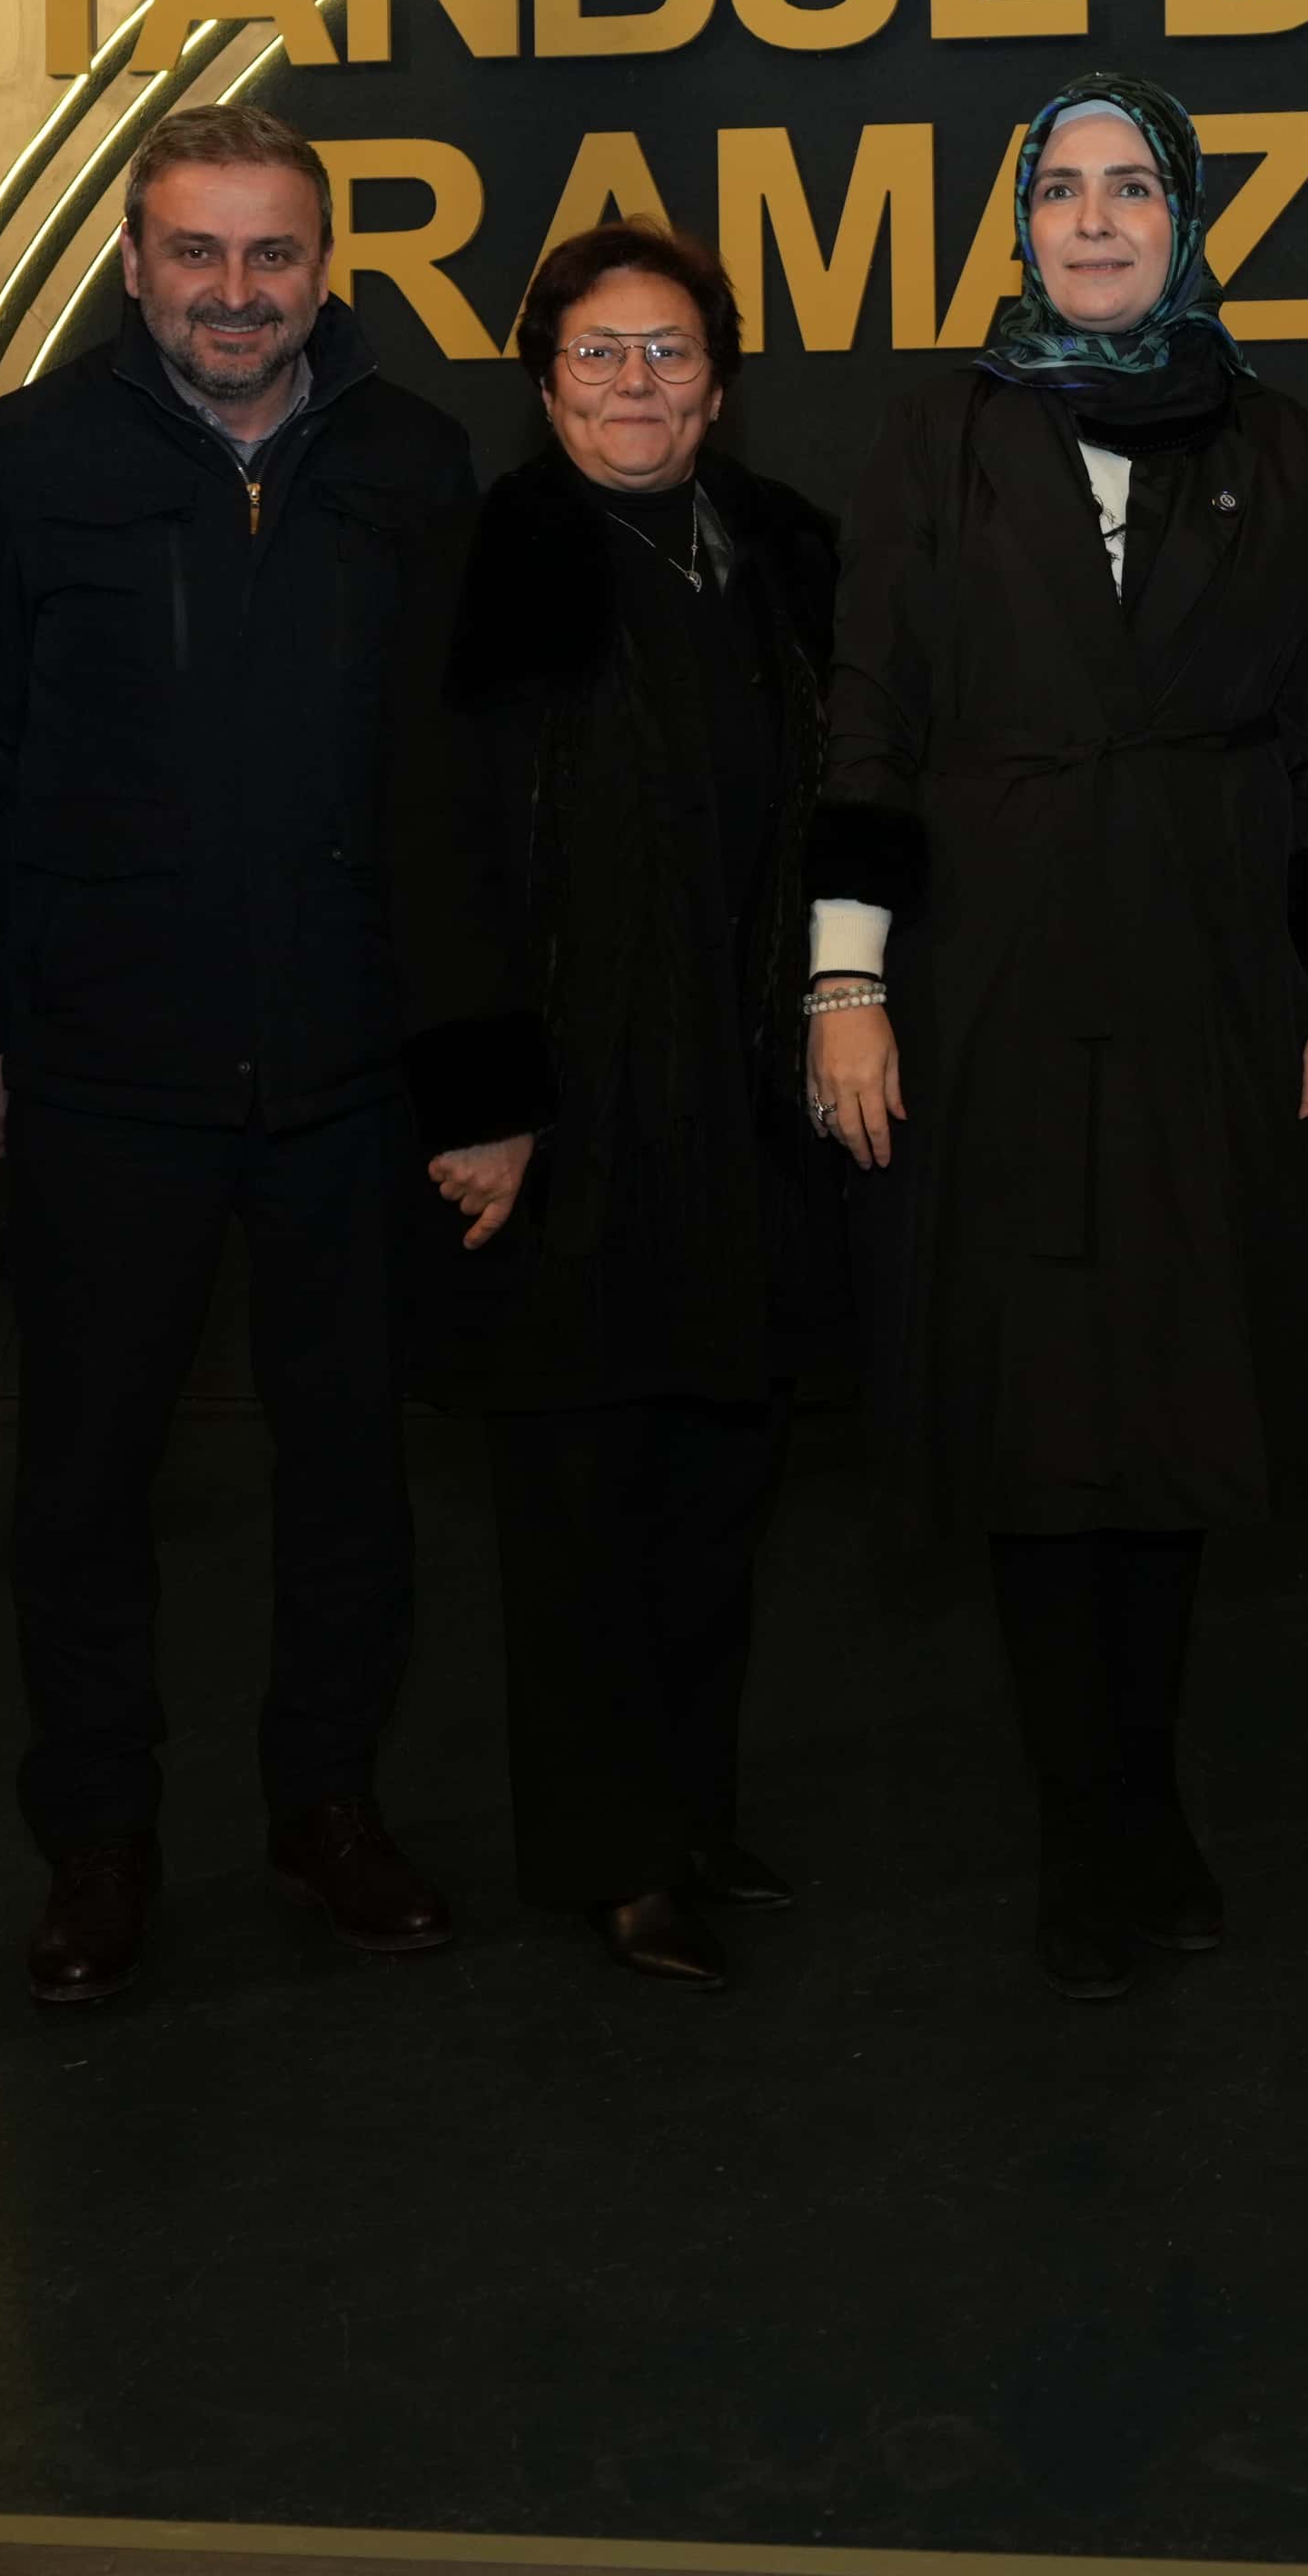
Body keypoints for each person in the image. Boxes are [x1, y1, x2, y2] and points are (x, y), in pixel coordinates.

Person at [805, 72, 1308, 2002]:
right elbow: (870, 714)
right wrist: (845, 984)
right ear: (1020, 222)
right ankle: (1082, 1826)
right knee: (1037, 1416)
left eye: (1129, 185)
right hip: (987, 989)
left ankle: (1151, 1799)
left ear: (1186, 217)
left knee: (1175, 1407)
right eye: (1059, 187)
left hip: (1215, 990)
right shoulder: (942, 432)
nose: (1092, 217)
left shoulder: (1282, 445)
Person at [0, 97, 478, 2003]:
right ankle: (97, 1844)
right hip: (103, 1076)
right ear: (133, 262)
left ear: (324, 267)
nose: (235, 290)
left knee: (352, 1477)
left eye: (272, 254)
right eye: (197, 252)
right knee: (85, 1487)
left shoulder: (418, 461)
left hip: (352, 1076)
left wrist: (467, 1065)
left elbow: (456, 790)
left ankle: (327, 1806)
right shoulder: (17, 466)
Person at [382, 224, 840, 1989]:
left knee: (722, 1485)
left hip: (751, 1101)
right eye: (599, 353)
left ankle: (696, 1813)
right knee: (582, 1501)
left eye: (669, 353)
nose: (636, 384)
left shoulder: (789, 548)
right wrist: (483, 1103)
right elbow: (434, 841)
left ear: (720, 383)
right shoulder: (493, 554)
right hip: (569, 1111)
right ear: (544, 379)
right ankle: (613, 1856)